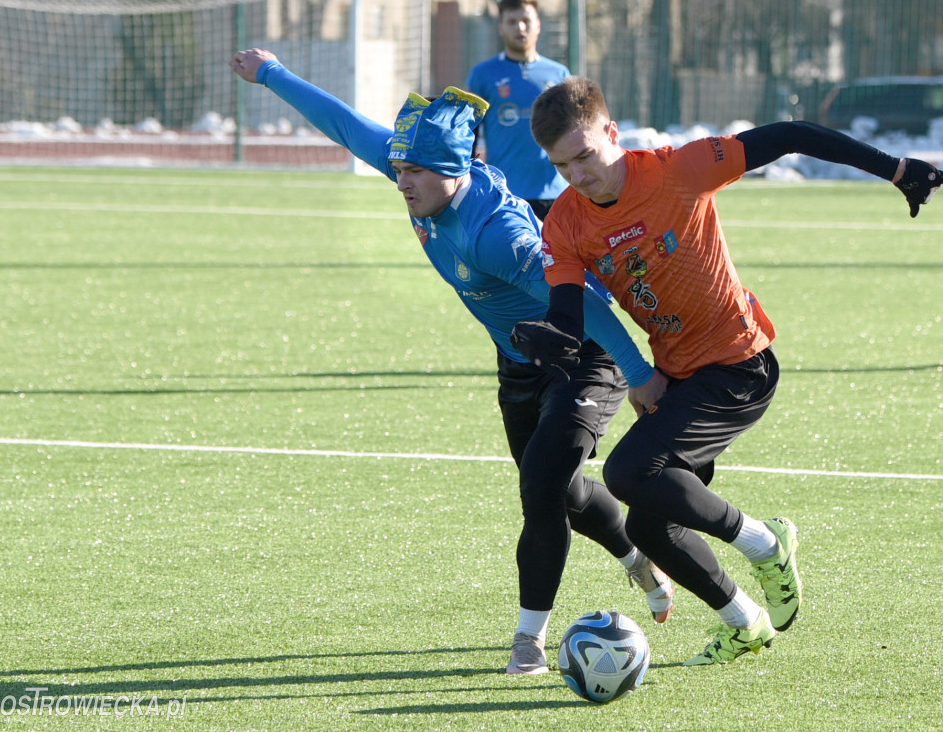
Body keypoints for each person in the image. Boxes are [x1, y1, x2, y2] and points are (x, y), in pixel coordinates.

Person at [229, 50, 676, 676]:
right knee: (565, 490)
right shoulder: (422, 181)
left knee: (540, 488)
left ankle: (529, 640)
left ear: (453, 172)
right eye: (399, 169)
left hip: (583, 356)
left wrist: (638, 374)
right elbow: (345, 126)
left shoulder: (497, 236)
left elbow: (592, 309)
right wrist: (271, 74)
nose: (402, 182)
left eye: (415, 173)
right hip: (519, 360)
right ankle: (636, 559)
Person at [512, 76, 943, 666]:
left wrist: (894, 168)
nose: (578, 175)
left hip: (740, 364)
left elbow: (790, 136)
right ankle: (745, 621)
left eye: (585, 156)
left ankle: (766, 542)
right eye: (562, 166)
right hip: (681, 376)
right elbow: (568, 309)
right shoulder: (565, 221)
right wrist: (551, 340)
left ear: (611, 133)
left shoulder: (678, 169)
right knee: (649, 527)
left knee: (628, 470)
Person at [465, 0, 569, 220]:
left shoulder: (558, 74)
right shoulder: (483, 75)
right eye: (512, 22)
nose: (520, 27)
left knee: (558, 256)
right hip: (505, 192)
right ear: (501, 28)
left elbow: (573, 131)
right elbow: (468, 131)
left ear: (538, 25)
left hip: (554, 192)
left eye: (526, 21)